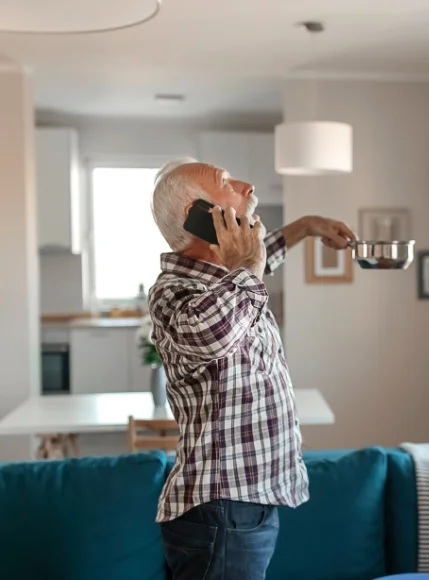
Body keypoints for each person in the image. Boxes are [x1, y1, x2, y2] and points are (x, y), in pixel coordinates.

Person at [149, 157, 356, 580]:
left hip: (240, 506)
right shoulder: (175, 291)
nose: (247, 185)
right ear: (200, 218)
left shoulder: (227, 281)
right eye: (226, 182)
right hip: (221, 510)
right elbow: (214, 331)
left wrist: (306, 226)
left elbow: (253, 266)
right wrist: (247, 267)